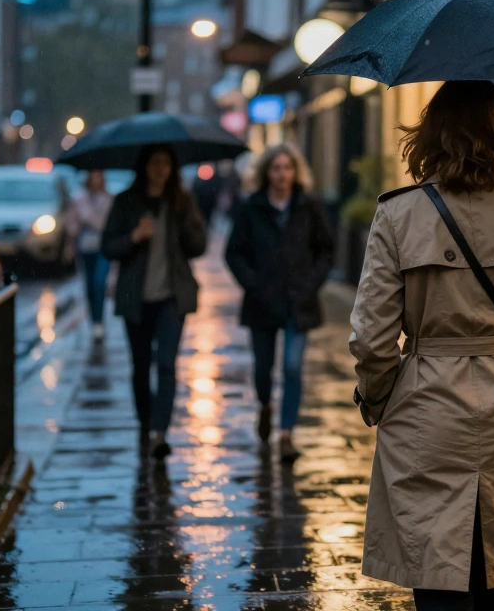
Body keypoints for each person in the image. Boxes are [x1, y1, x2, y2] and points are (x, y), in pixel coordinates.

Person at [349, 80, 494, 610]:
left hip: (425, 408)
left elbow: (371, 338)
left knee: (434, 571)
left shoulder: (398, 213)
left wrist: (380, 397)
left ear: (430, 137)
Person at [225, 143, 334, 463]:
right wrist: (253, 282)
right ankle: (264, 406)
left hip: (298, 301)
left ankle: (286, 433)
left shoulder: (308, 206)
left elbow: (326, 250)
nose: (282, 174)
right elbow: (233, 252)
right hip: (262, 302)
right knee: (263, 369)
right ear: (266, 172)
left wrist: (311, 283)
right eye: (276, 168)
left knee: (291, 367)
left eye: (287, 168)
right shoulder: (251, 208)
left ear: (295, 171)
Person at [102, 145, 208, 460]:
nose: (160, 169)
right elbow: (108, 246)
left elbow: (199, 245)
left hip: (171, 298)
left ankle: (160, 432)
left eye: (166, 163)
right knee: (140, 366)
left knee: (165, 364)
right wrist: (134, 236)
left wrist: (183, 220)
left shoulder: (182, 201)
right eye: (154, 163)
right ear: (144, 166)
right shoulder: (126, 202)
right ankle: (145, 423)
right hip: (136, 298)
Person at [67, 170, 114, 346]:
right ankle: (94, 320)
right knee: (89, 284)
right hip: (85, 246)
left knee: (99, 282)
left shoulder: (109, 198)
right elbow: (72, 224)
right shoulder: (79, 198)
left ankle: (99, 321)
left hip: (103, 246)